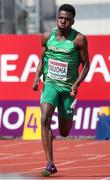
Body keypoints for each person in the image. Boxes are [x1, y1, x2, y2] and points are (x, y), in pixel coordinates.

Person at [32, 4, 90, 177]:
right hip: (50, 83)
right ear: (57, 18)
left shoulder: (79, 39)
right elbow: (42, 58)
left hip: (68, 89)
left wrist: (76, 84)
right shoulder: (46, 37)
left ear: (72, 21)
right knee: (44, 118)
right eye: (60, 17)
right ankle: (50, 164)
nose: (63, 21)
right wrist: (37, 76)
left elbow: (86, 64)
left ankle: (67, 113)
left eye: (67, 19)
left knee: (64, 132)